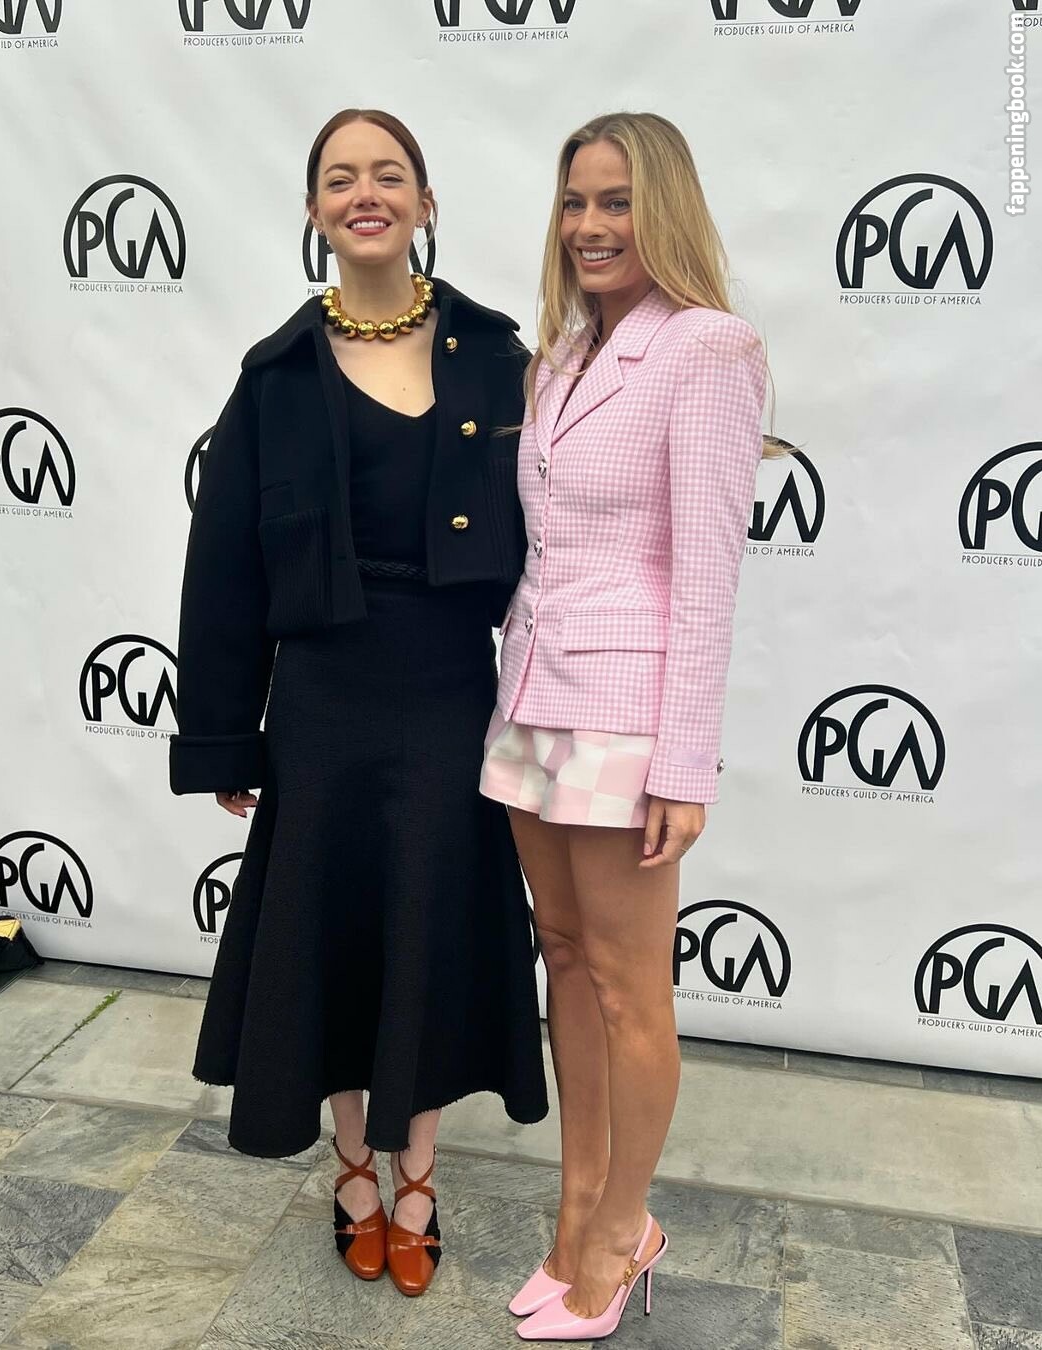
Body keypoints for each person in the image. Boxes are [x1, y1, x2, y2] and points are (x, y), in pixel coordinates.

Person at [170, 107, 548, 1299]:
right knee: (328, 930)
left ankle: (420, 1174)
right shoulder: (274, 375)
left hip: (449, 688)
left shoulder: (498, 354)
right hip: (322, 699)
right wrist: (225, 735)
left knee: (428, 924)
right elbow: (223, 567)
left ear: (426, 204)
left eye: (389, 175)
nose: (365, 193)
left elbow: (560, 538)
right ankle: (351, 1169)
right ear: (315, 211)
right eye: (341, 178)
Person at [479, 111, 771, 1340]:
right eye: (575, 202)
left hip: (626, 718)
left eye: (617, 202)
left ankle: (623, 1228)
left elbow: (706, 574)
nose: (591, 226)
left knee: (628, 989)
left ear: (666, 209)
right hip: (530, 696)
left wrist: (684, 764)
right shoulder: (558, 355)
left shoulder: (708, 348)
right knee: (562, 954)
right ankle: (577, 1210)